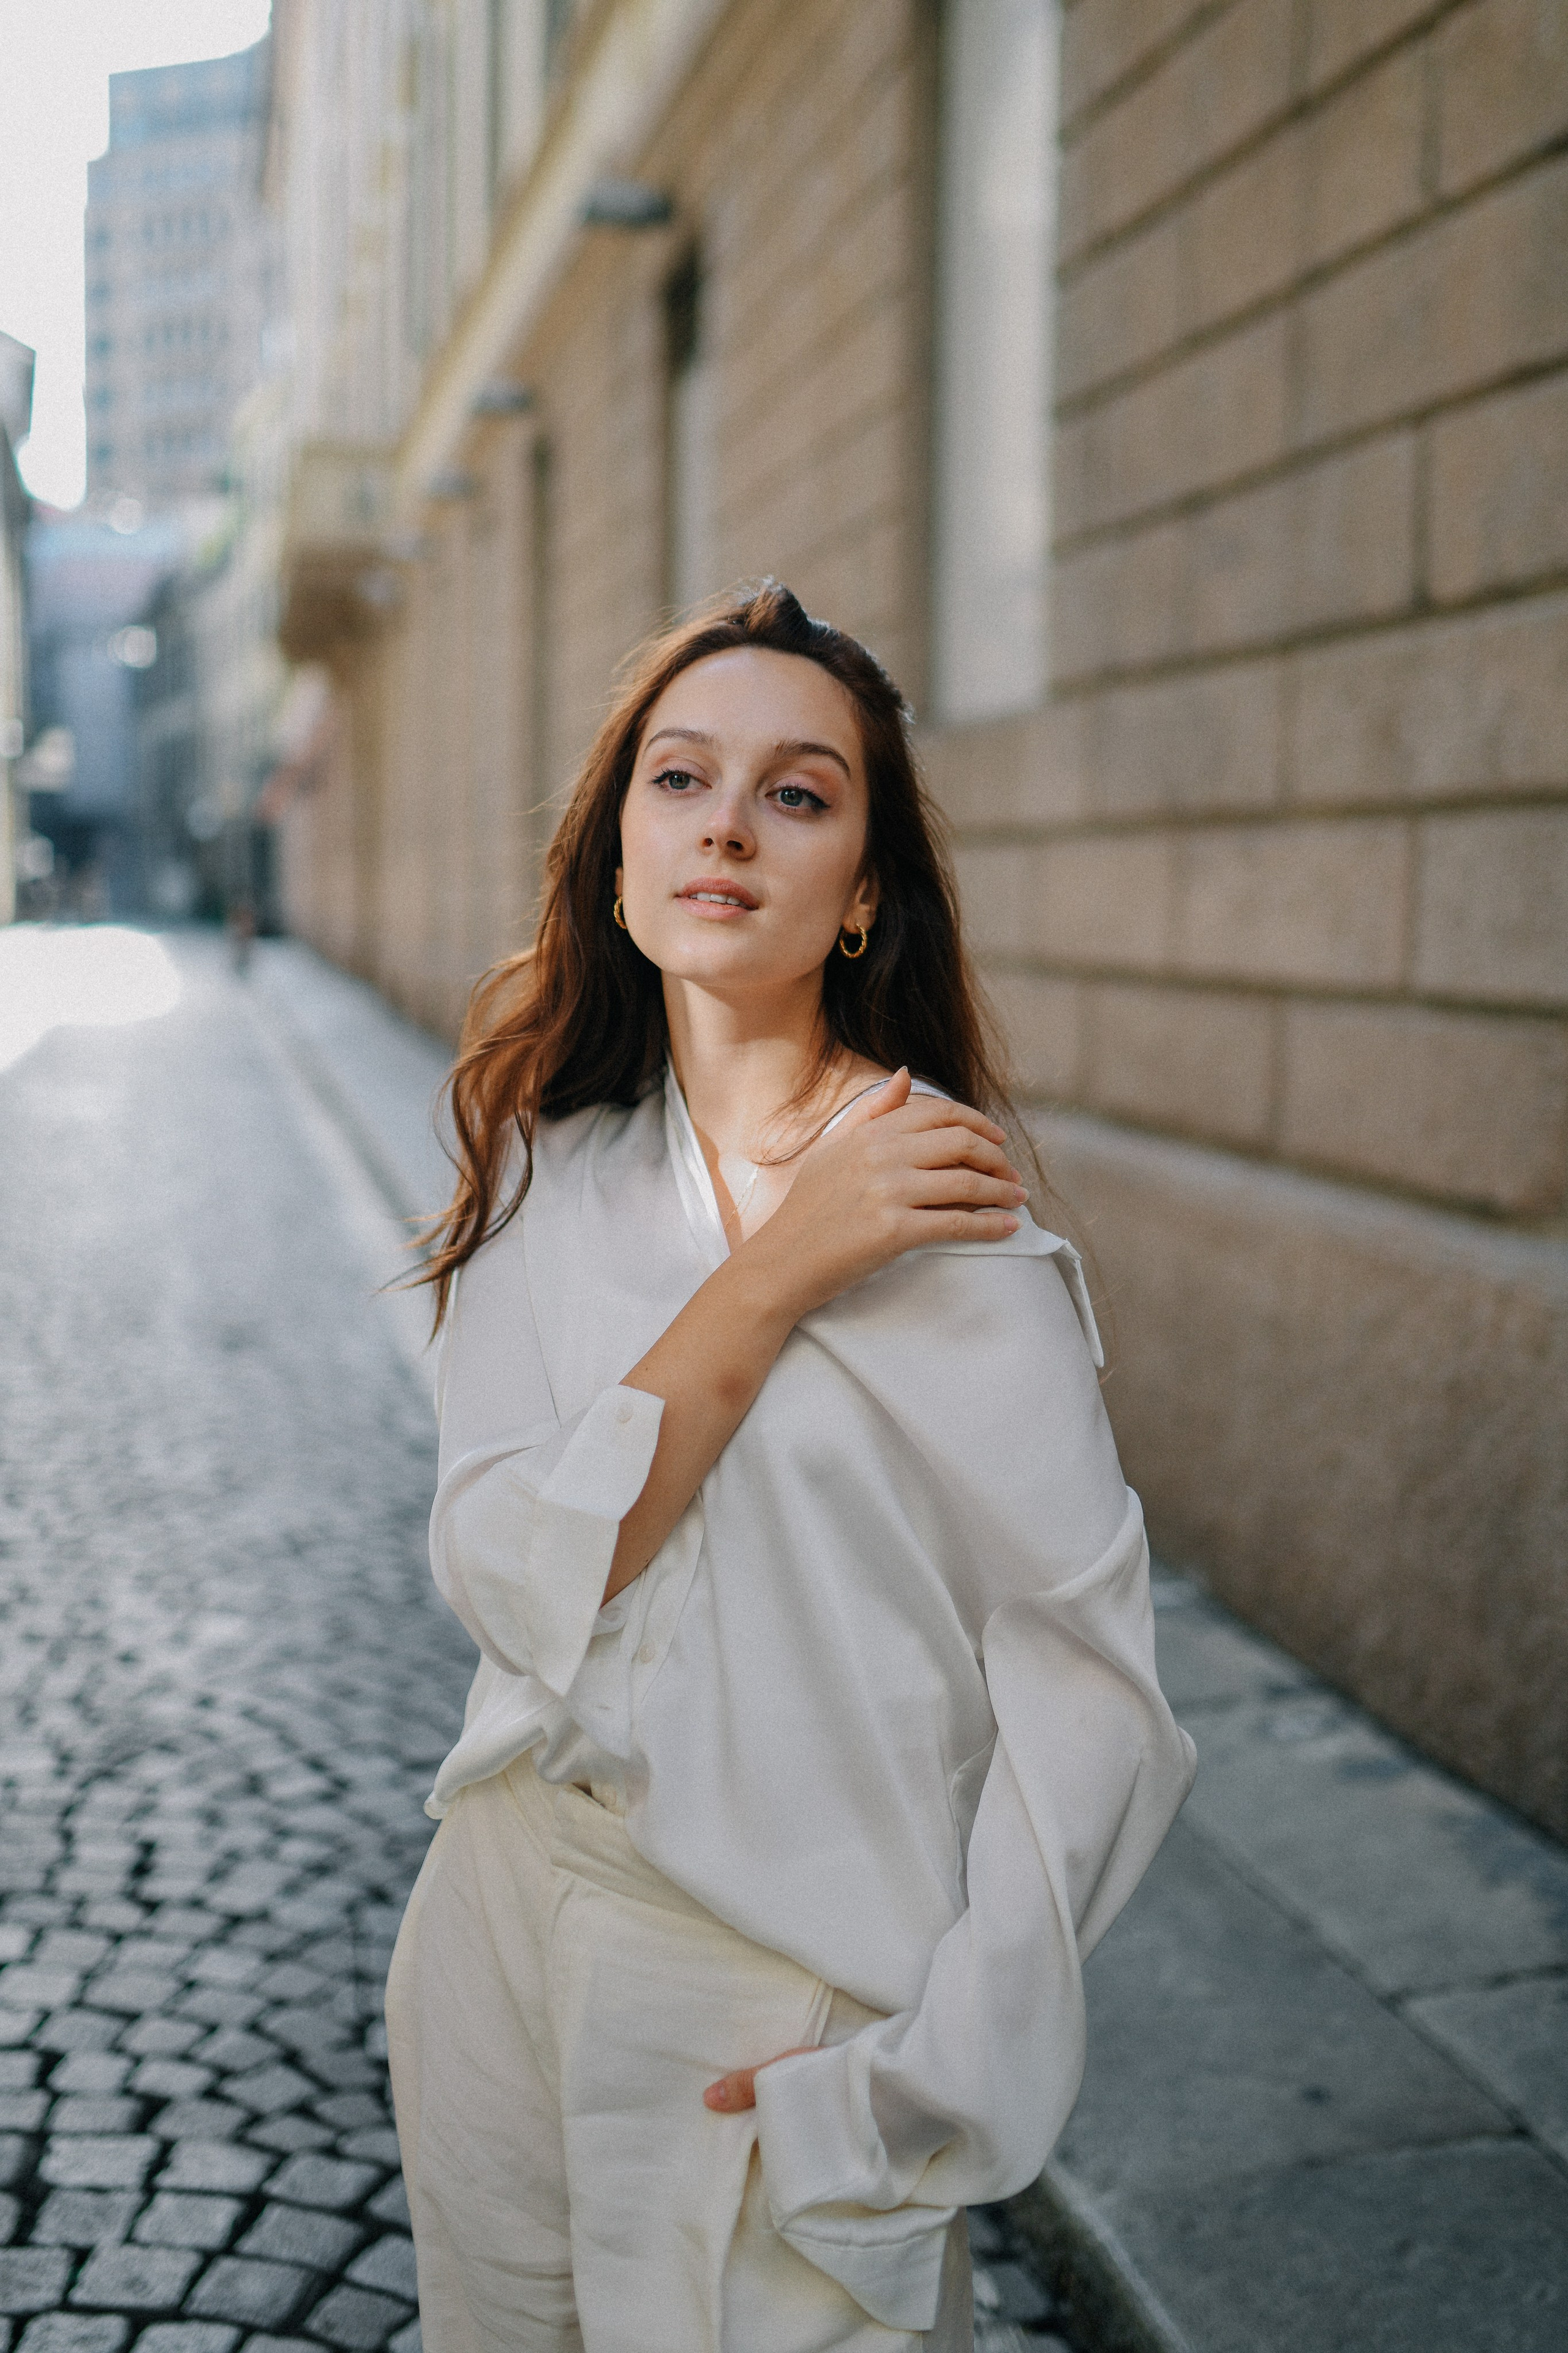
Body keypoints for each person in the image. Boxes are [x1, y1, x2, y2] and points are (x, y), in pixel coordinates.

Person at [385, 583, 1196, 2353]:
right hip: (499, 1925)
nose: (728, 825)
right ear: (617, 853)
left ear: (866, 890)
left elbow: (1096, 1705)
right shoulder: (545, 1173)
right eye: (680, 779)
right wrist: (771, 1273)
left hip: (776, 1997)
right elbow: (516, 1571)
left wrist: (920, 2084)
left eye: (799, 792)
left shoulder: (953, 1228)